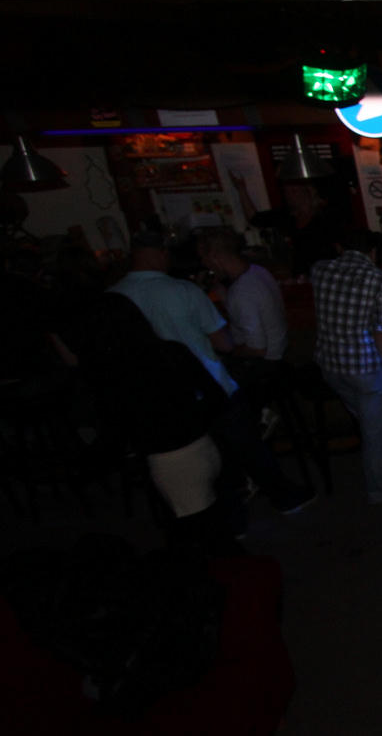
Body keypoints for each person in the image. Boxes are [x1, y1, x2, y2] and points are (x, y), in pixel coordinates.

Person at [111, 231, 313, 516]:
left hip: (157, 395)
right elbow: (225, 344)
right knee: (242, 441)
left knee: (206, 454)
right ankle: (283, 495)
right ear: (161, 253)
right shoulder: (186, 290)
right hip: (205, 385)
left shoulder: (113, 297)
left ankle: (232, 517)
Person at [71, 293, 242, 553]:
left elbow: (116, 433)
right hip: (203, 449)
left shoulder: (112, 371)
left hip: (172, 463)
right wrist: (185, 420)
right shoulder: (172, 351)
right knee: (195, 534)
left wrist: (84, 467)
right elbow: (217, 399)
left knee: (213, 542)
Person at [312, 229, 382, 505]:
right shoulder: (376, 278)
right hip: (365, 368)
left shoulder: (319, 270)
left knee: (373, 429)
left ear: (339, 247)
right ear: (373, 251)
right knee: (374, 434)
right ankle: (380, 491)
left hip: (330, 366)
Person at [197, 227, 289, 388]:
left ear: (214, 256)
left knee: (205, 379)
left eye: (203, 258)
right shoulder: (257, 271)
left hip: (263, 362)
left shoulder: (243, 291)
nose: (203, 263)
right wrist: (222, 292)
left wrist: (230, 351)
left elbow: (257, 349)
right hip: (278, 352)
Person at [231, 175, 343, 281]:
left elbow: (340, 247)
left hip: (327, 275)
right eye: (286, 192)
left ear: (307, 192)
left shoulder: (325, 215)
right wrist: (242, 190)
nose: (290, 196)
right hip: (302, 274)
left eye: (294, 191)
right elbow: (255, 218)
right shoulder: (289, 215)